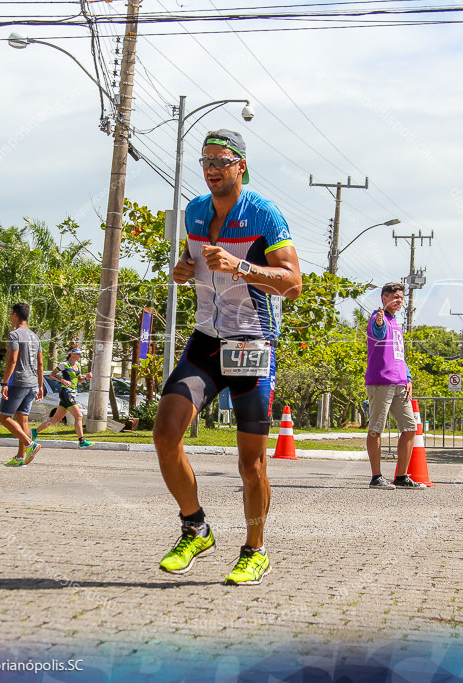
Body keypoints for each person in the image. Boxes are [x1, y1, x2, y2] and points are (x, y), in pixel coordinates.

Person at [154, 129, 302, 586]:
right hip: (205, 340)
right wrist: (181, 269)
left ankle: (255, 550)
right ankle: (195, 527)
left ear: (241, 166)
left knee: (251, 462)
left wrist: (240, 266)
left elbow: (293, 282)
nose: (212, 168)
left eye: (221, 160)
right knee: (164, 432)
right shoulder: (195, 211)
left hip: (250, 343)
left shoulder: (264, 214)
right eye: (206, 160)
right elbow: (191, 259)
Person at [365, 282, 426, 490]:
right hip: (381, 381)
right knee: (376, 429)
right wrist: (380, 323)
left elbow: (400, 355)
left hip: (400, 382)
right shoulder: (378, 318)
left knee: (410, 428)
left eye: (401, 297)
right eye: (394, 296)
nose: (399, 300)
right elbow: (378, 334)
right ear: (384, 298)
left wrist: (408, 378)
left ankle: (401, 476)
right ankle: (376, 477)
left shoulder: (397, 323)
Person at [0, 302, 45, 467]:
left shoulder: (15, 335)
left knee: (4, 417)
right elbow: (40, 364)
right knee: (22, 419)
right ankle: (19, 457)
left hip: (18, 382)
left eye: (11, 314)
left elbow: (12, 359)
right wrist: (40, 386)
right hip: (32, 383)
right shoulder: (35, 336)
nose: (10, 317)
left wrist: (4, 382)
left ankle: (30, 445)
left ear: (16, 315)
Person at [32, 348, 93, 449]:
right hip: (66, 393)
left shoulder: (78, 366)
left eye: (80, 354)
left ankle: (35, 431)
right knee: (79, 416)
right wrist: (63, 380)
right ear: (72, 354)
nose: (79, 356)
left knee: (56, 419)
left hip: (72, 393)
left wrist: (86, 378)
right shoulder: (64, 364)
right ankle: (81, 441)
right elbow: (52, 375)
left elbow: (78, 380)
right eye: (78, 354)